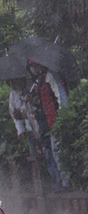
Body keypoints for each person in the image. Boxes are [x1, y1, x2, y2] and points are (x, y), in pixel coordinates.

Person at [26, 60, 69, 188]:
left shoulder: (51, 76)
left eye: (34, 65)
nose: (33, 68)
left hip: (55, 121)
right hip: (45, 125)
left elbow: (61, 97)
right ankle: (57, 183)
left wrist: (63, 117)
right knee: (50, 155)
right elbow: (41, 103)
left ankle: (65, 183)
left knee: (58, 154)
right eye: (31, 66)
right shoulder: (38, 82)